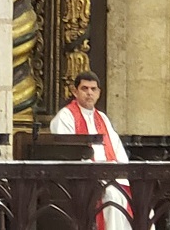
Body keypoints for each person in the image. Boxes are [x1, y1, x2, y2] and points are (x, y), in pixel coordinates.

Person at [50, 71, 142, 230]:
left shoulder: (103, 118)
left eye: (93, 89)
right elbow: (67, 153)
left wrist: (121, 172)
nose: (89, 93)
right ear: (75, 91)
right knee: (112, 197)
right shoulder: (65, 117)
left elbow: (118, 150)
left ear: (99, 93)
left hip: (110, 176)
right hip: (83, 180)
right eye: (84, 88)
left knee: (142, 201)